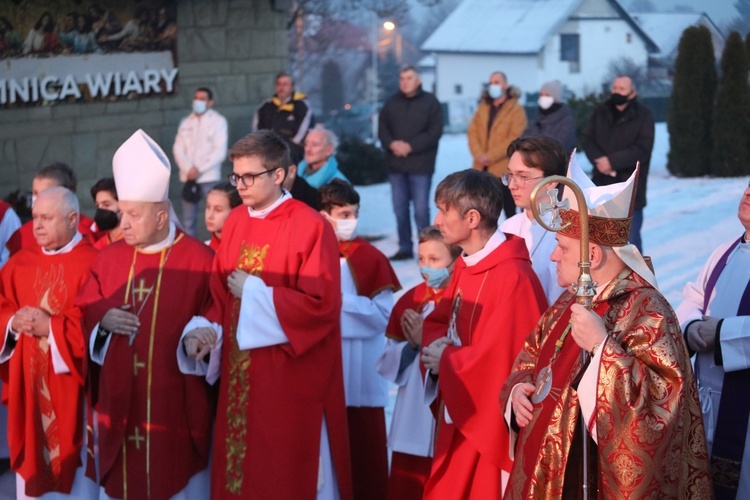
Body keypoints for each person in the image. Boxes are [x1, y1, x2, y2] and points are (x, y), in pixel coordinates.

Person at [500, 157, 712, 498]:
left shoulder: (647, 310)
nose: (554, 257)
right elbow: (529, 358)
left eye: (561, 247)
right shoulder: (566, 303)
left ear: (592, 256)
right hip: (542, 470)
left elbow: (662, 408)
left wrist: (603, 349)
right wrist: (517, 393)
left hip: (591, 478)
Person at [180, 130, 352, 499]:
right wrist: (206, 329)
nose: (240, 185)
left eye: (249, 176)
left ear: (278, 175)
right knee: (241, 468)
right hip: (240, 373)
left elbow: (322, 305)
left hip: (287, 373)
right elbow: (218, 292)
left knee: (282, 470)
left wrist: (257, 293)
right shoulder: (237, 221)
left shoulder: (310, 226)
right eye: (235, 176)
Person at [76, 129, 215, 499]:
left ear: (160, 215)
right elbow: (84, 310)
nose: (123, 224)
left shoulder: (199, 261)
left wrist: (201, 333)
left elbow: (215, 312)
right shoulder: (106, 261)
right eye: (121, 214)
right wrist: (102, 320)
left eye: (132, 216)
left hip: (177, 404)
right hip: (120, 401)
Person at [420, 169, 547, 498]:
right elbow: (443, 320)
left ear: (472, 218)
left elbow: (503, 361)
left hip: (488, 424)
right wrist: (438, 348)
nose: (437, 219)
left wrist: (446, 358)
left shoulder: (513, 276)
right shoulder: (466, 262)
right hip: (460, 409)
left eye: (443, 210)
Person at [0, 187, 98, 498]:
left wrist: (52, 327)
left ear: (72, 219)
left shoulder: (94, 263)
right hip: (29, 391)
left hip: (73, 391)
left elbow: (99, 326)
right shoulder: (18, 264)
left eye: (46, 218)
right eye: (35, 217)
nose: (36, 226)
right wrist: (12, 323)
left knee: (77, 482)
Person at [319, 179, 400, 500]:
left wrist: (335, 302)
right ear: (324, 215)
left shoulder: (368, 257)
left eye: (354, 213)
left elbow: (382, 317)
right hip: (326, 370)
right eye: (343, 213)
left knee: (366, 459)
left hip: (362, 374)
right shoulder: (310, 253)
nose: (350, 221)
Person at [676, 181, 750, 498]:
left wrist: (720, 334)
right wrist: (691, 326)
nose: (748, 192)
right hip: (706, 406)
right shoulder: (725, 251)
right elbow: (694, 296)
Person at [375, 225, 461, 500]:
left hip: (448, 406)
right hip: (412, 408)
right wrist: (412, 345)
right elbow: (387, 362)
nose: (426, 267)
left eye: (435, 260)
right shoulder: (412, 299)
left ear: (455, 261)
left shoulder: (464, 296)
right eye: (421, 259)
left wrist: (429, 338)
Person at [582, 75, 654, 253]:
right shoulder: (600, 112)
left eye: (622, 89)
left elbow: (642, 149)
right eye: (614, 88)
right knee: (599, 242)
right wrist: (599, 160)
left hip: (629, 189)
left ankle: (635, 280)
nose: (616, 92)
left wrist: (612, 162)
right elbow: (587, 138)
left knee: (630, 242)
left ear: (632, 93)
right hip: (601, 186)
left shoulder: (643, 115)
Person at [379, 66, 444, 261]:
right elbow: (382, 128)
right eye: (402, 78)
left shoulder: (431, 103)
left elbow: (434, 132)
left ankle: (427, 248)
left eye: (409, 78)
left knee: (421, 210)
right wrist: (392, 144)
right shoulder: (391, 103)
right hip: (396, 165)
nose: (404, 81)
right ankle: (405, 246)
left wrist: (411, 146)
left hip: (421, 166)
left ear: (418, 81)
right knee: (399, 209)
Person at [500, 136, 568, 305]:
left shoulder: (569, 228)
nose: (511, 185)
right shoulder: (507, 228)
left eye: (523, 177)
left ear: (551, 182)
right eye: (510, 175)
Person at [467, 71, 527, 221]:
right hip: (481, 168)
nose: (493, 85)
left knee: (509, 210)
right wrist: (479, 154)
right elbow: (472, 132)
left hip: (503, 168)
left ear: (506, 85)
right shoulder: (483, 108)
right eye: (491, 82)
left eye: (497, 82)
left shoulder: (515, 109)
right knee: (482, 210)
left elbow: (514, 137)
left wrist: (490, 156)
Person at [173, 86, 229, 237]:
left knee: (216, 218)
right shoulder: (186, 122)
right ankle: (191, 254)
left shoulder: (218, 121)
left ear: (210, 102)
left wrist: (199, 169)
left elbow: (219, 152)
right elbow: (178, 149)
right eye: (196, 98)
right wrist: (188, 169)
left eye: (202, 99)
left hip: (209, 177)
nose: (198, 101)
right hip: (189, 179)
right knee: (188, 222)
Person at [6, 163, 94, 257]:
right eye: (35, 193)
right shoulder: (21, 235)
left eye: (45, 193)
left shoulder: (89, 233)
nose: (38, 199)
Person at [252, 72, 314, 161]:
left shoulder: (301, 105)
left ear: (292, 87)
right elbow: (256, 128)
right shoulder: (266, 105)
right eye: (279, 84)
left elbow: (303, 130)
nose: (281, 87)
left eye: (285, 84)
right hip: (268, 148)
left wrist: (291, 146)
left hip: (293, 151)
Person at [522, 80, 576, 156]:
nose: (543, 98)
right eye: (541, 95)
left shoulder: (566, 119)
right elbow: (524, 140)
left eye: (547, 95)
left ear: (555, 97)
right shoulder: (537, 117)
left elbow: (561, 146)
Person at [204, 181, 241, 252]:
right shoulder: (204, 249)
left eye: (218, 210)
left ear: (235, 212)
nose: (210, 216)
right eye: (208, 207)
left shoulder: (244, 251)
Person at [89, 177, 121, 250]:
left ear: (122, 205)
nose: (101, 210)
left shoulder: (134, 242)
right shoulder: (97, 248)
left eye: (106, 205)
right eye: (98, 206)